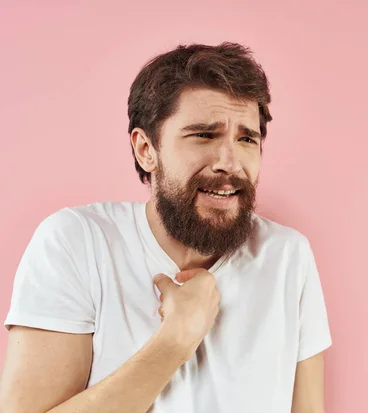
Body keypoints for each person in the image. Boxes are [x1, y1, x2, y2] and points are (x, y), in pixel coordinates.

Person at [0, 42, 332, 413]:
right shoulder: (76, 243)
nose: (230, 162)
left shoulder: (288, 256)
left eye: (246, 139)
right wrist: (175, 339)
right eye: (204, 135)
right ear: (146, 149)